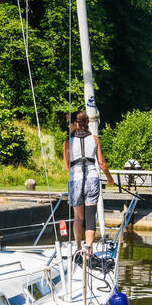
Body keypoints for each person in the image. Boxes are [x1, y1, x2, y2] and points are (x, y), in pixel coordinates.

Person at [63, 110, 113, 256]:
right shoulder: (95, 139)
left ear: (75, 123)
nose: (69, 126)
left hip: (76, 179)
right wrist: (110, 179)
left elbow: (67, 167)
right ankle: (89, 250)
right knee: (91, 215)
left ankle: (78, 247)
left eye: (69, 123)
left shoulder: (67, 142)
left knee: (78, 217)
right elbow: (102, 163)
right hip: (92, 178)